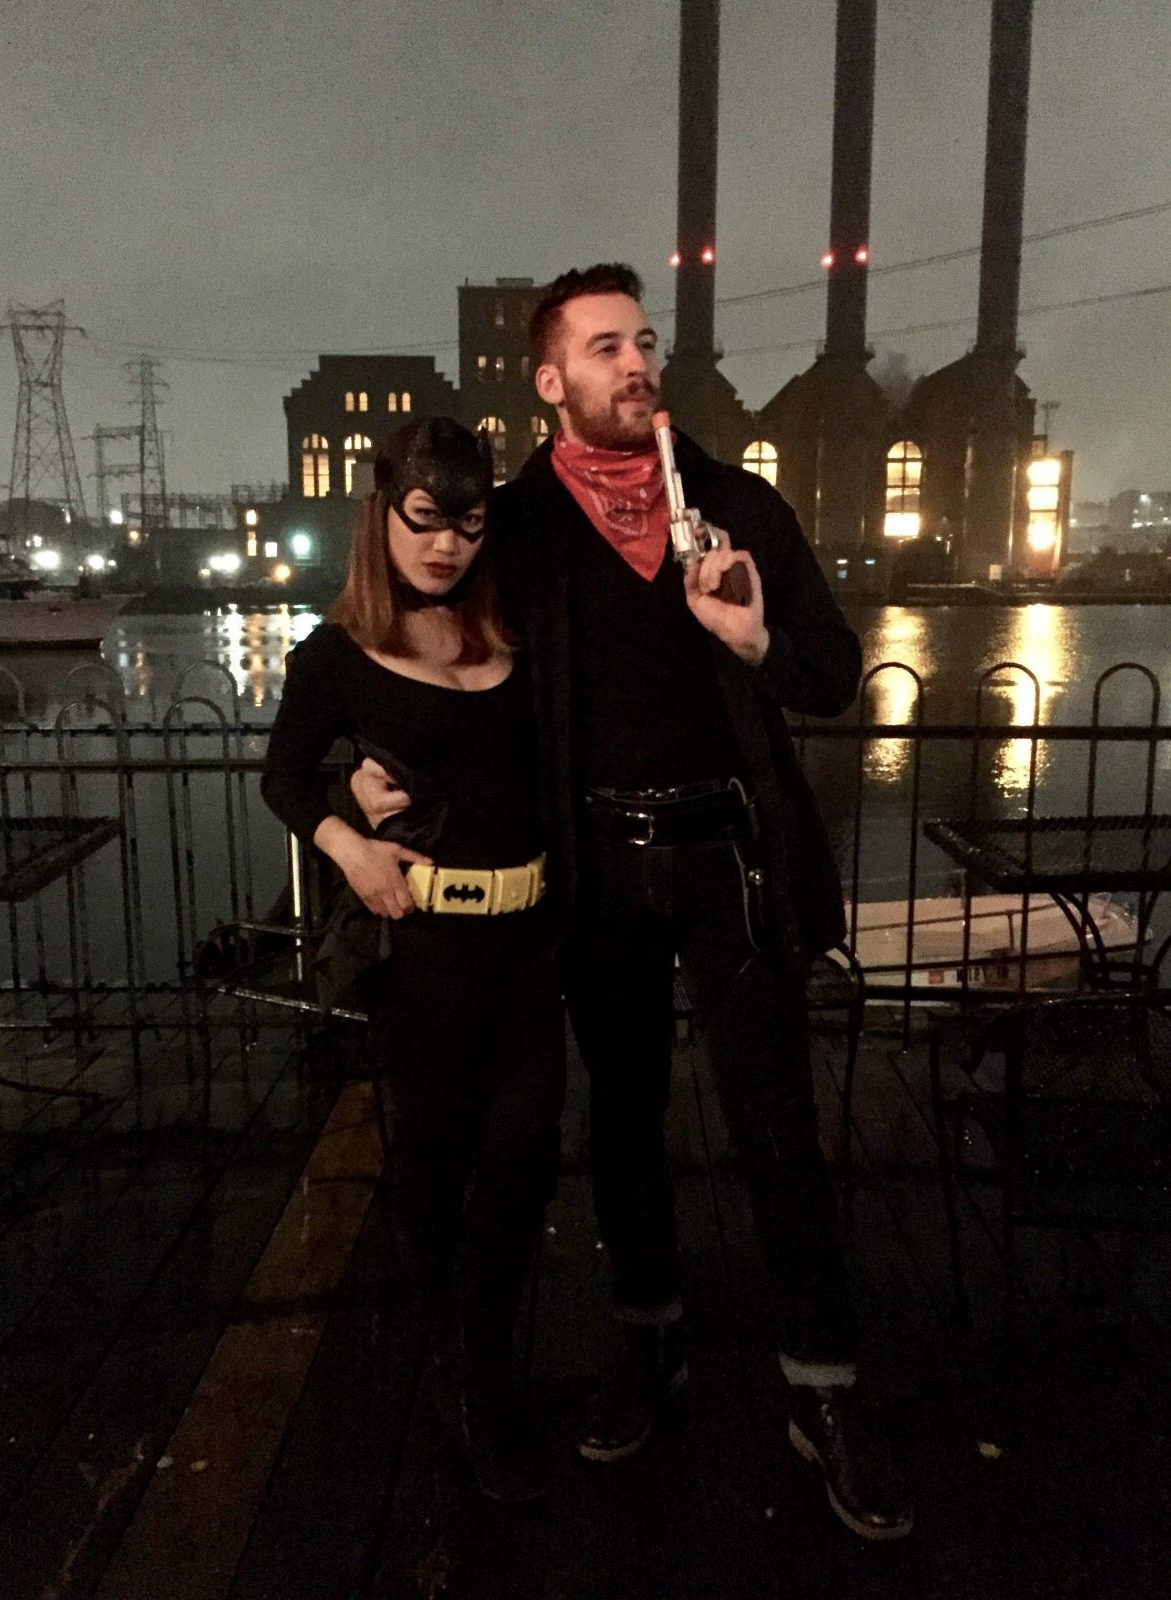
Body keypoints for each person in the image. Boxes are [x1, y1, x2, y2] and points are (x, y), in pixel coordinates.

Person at [355, 266, 911, 1540]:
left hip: (732, 861)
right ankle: (649, 1344)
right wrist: (363, 773)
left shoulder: (735, 506)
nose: (637, 361)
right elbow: (425, 649)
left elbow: (830, 673)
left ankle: (822, 1390)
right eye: (606, 346)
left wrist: (757, 642)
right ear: (551, 380)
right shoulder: (524, 529)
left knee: (780, 1124)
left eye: (645, 340)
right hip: (595, 871)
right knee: (625, 1124)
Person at [261, 417, 565, 1505]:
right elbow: (285, 776)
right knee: (436, 1165)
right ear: (383, 513)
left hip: (529, 942)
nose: (445, 545)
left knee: (525, 1152)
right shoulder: (337, 651)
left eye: (467, 522)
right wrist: (345, 839)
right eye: (423, 519)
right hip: (425, 948)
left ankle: (480, 1360)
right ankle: (462, 1370)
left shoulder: (514, 629)